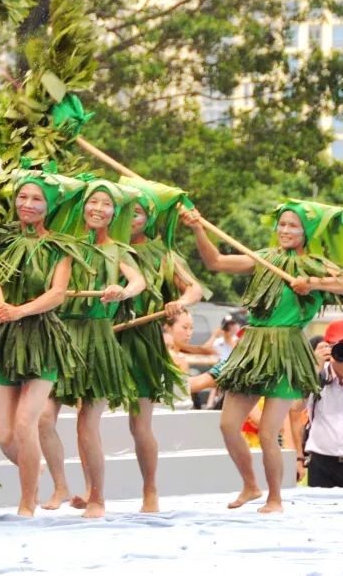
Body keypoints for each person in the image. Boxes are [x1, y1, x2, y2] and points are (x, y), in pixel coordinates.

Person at [182, 199, 343, 513]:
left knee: (267, 432)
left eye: (293, 226)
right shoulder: (264, 258)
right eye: (282, 224)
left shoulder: (314, 265)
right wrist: (197, 229)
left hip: (286, 351)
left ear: (307, 231)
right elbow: (216, 262)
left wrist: (312, 283)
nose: (285, 230)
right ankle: (251, 485)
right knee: (228, 425)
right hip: (252, 348)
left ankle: (275, 498)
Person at [0, 164, 88, 517]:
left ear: (49, 206)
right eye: (23, 197)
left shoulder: (59, 247)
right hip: (4, 337)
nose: (27, 204)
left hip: (42, 337)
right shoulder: (0, 240)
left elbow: (57, 293)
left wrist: (21, 311)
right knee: (5, 437)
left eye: (36, 199)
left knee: (25, 423)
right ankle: (35, 470)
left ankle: (27, 501)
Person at [39, 179, 146, 519]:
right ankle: (60, 485)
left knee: (87, 425)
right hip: (62, 336)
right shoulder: (67, 246)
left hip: (98, 339)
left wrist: (122, 290)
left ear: (115, 213)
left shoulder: (118, 250)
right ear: (83, 206)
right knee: (43, 417)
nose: (98, 209)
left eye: (106, 204)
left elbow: (138, 281)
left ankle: (97, 497)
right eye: (93, 202)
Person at [117, 179, 205, 510]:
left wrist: (179, 302)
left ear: (150, 218)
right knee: (87, 415)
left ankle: (150, 490)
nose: (131, 217)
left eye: (138, 212)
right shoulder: (103, 246)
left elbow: (194, 288)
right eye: (126, 210)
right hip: (101, 335)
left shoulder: (162, 253)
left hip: (142, 339)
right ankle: (91, 493)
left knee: (139, 422)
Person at [305, 319, 343, 487]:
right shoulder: (317, 376)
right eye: (337, 346)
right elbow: (295, 407)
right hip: (321, 463)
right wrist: (313, 371)